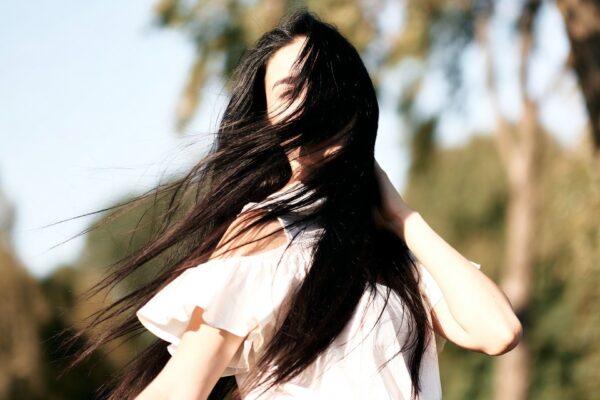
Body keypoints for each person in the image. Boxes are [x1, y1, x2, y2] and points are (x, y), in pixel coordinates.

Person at [64, 9, 522, 400]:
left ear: (353, 101)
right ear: (268, 119)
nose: (308, 104)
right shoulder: (264, 231)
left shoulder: (391, 251)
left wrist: (402, 217)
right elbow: (182, 386)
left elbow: (498, 331)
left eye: (321, 85)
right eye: (287, 92)